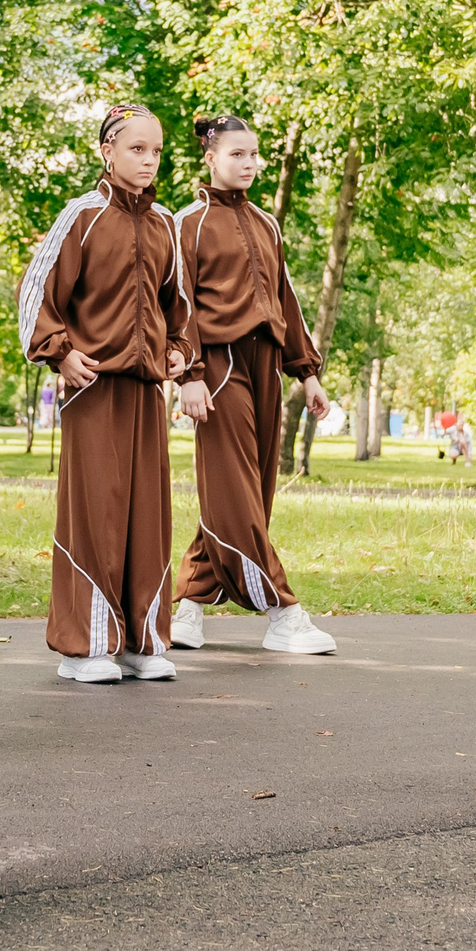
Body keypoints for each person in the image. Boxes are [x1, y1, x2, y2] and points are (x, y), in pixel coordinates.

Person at [19, 106, 192, 684]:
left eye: (157, 152)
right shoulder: (82, 216)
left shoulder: (167, 223)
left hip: (146, 392)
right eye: (137, 149)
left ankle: (143, 640)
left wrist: (178, 350)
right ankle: (86, 646)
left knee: (148, 515)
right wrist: (59, 351)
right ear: (108, 151)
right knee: (96, 513)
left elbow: (181, 307)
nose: (148, 161)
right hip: (92, 388)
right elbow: (36, 294)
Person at [170, 116, 337, 656]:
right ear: (210, 158)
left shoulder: (266, 223)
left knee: (250, 491)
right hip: (217, 366)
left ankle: (190, 606)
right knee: (235, 488)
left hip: (266, 363)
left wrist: (307, 373)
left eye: (254, 155)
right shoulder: (186, 223)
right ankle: (283, 611)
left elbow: (285, 299)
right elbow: (178, 306)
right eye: (237, 155)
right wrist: (189, 375)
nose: (249, 164)